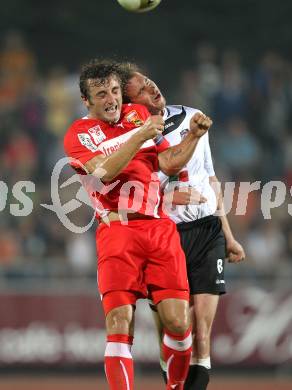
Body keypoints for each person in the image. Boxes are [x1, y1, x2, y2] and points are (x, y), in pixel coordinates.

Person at [63, 59, 213, 390]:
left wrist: (191, 137)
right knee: (120, 323)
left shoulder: (138, 115)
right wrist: (139, 134)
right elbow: (103, 172)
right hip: (118, 233)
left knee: (178, 321)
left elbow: (167, 163)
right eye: (101, 94)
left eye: (115, 90)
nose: (111, 99)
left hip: (159, 229)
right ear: (87, 101)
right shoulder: (80, 133)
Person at [118, 63, 246, 390]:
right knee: (175, 330)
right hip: (164, 239)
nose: (153, 88)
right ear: (131, 104)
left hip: (207, 233)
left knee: (202, 332)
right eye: (142, 90)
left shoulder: (192, 116)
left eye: (150, 81)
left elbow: (210, 176)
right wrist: (168, 196)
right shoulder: (132, 142)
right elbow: (130, 199)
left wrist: (229, 236)